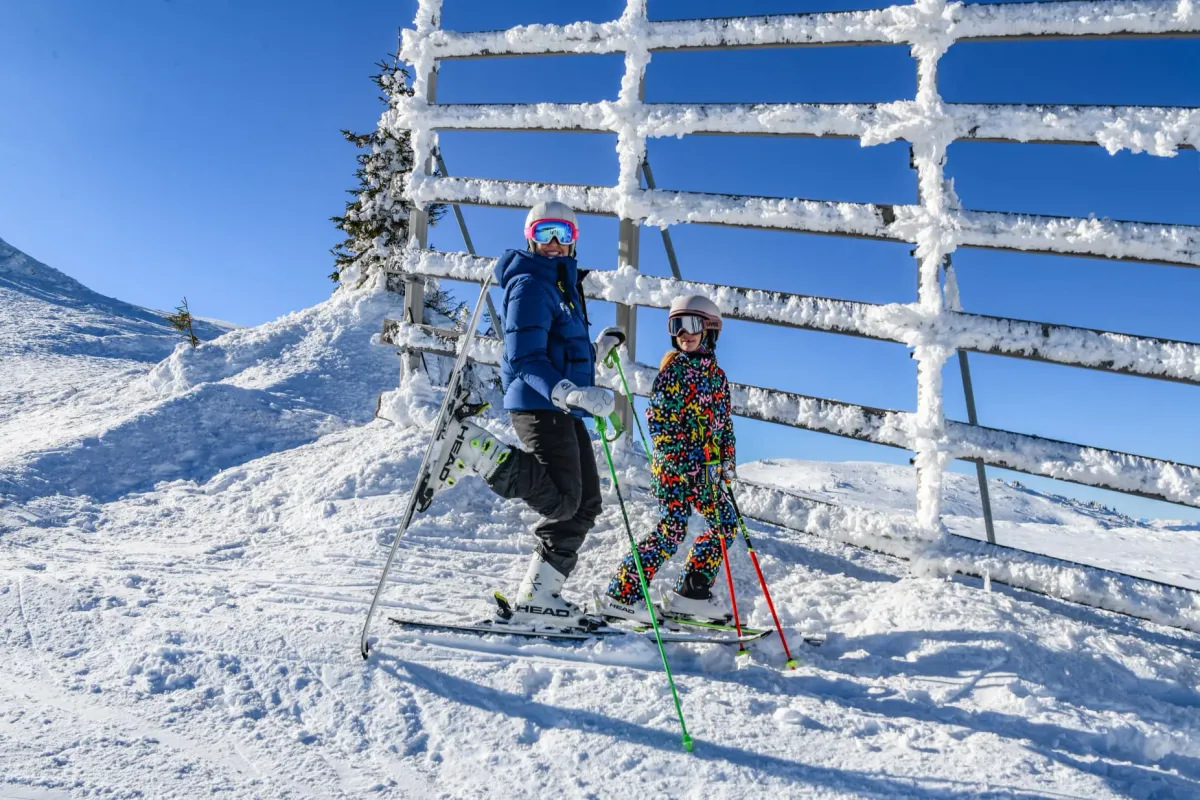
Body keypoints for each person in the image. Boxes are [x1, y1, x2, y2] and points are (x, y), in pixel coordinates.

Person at [425, 200, 625, 627]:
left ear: (574, 243)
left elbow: (559, 349)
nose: (554, 243)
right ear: (530, 238)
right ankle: (477, 452)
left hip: (561, 406)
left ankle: (540, 597)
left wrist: (595, 354)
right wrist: (569, 393)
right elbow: (524, 356)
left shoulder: (562, 286)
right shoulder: (530, 282)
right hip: (539, 404)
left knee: (585, 503)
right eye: (545, 233)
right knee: (564, 499)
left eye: (564, 234)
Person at [596, 294, 738, 624]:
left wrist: (727, 460)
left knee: (725, 524)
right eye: (676, 326)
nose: (683, 333)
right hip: (675, 469)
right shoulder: (673, 371)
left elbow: (724, 424)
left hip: (706, 471)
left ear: (711, 330)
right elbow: (659, 421)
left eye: (691, 325)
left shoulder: (718, 377)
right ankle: (622, 595)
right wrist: (684, 459)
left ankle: (691, 593)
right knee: (671, 531)